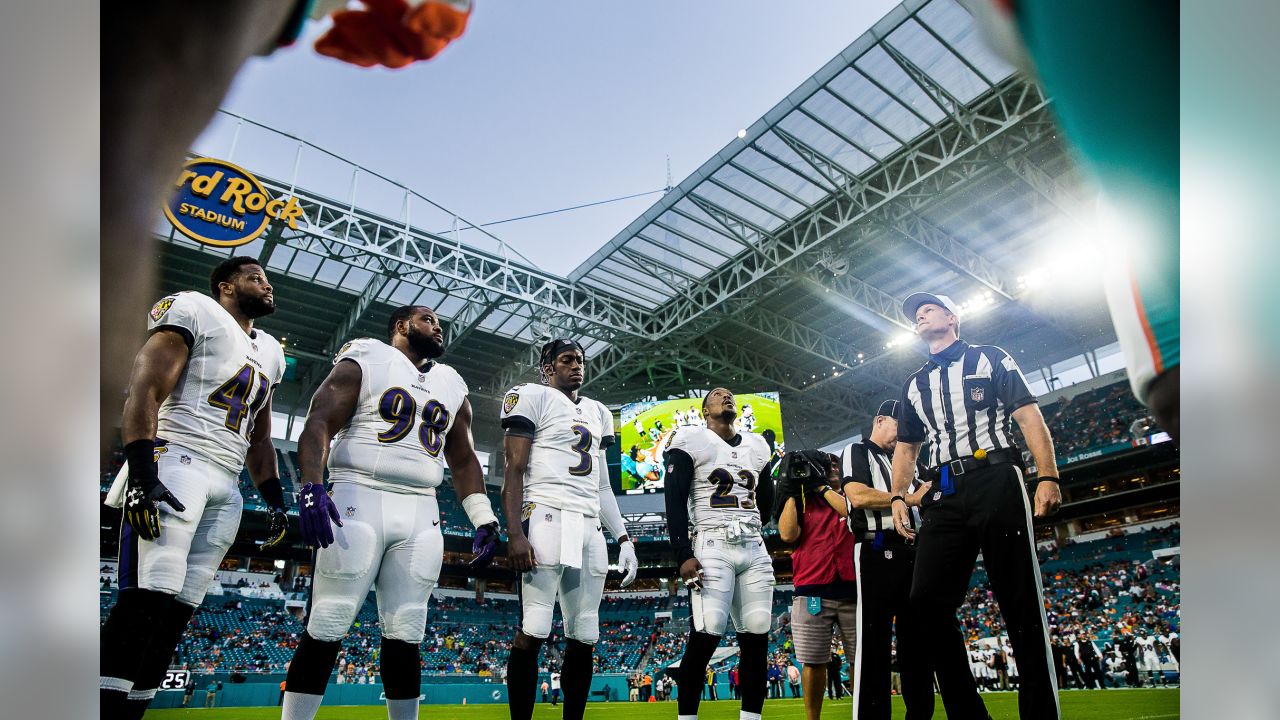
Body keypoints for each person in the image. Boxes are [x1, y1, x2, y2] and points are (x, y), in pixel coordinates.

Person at [279, 305, 501, 720]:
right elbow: (320, 419)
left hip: (421, 508)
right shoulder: (366, 356)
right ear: (401, 326)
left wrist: (483, 516)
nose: (438, 326)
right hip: (357, 494)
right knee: (329, 620)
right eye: (427, 319)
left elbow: (464, 458)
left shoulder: (451, 383)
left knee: (408, 629)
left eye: (439, 320)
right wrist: (310, 485)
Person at [100, 256, 289, 719]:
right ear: (226, 286)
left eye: (267, 279)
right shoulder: (193, 308)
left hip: (228, 480)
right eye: (255, 278)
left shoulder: (271, 352)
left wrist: (276, 502)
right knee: (148, 595)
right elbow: (144, 389)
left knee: (176, 616)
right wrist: (143, 472)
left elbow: (260, 437)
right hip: (178, 455)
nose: (267, 285)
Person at [890, 292, 1063, 719]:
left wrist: (1048, 475)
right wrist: (897, 495)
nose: (919, 314)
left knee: (1019, 600)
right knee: (925, 600)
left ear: (952, 317)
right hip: (944, 491)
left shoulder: (990, 358)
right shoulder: (914, 384)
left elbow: (1028, 417)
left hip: (996, 479)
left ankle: (1040, 714)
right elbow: (907, 448)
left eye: (928, 308)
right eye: (916, 313)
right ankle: (969, 714)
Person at [500, 339, 639, 720]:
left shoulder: (597, 411)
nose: (576, 366)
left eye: (579, 360)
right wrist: (514, 532)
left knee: (586, 633)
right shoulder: (531, 397)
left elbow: (604, 486)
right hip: (546, 514)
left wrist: (623, 538)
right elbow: (513, 469)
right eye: (566, 360)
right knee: (535, 627)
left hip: (589, 524)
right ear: (547, 367)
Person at [663, 387, 776, 720]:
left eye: (730, 395)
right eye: (717, 395)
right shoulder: (691, 439)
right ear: (704, 410)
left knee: (757, 633)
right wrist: (682, 552)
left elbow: (766, 502)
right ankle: (687, 718)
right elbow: (674, 499)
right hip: (712, 543)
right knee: (708, 631)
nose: (726, 398)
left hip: (753, 545)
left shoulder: (758, 446)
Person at [840, 401, 934, 719]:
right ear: (881, 420)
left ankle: (919, 714)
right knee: (874, 643)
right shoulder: (856, 451)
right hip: (875, 547)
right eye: (899, 425)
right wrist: (906, 497)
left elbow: (930, 492)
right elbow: (857, 495)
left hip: (912, 552)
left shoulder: (906, 459)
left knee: (916, 643)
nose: (903, 434)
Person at [774, 447, 857, 720]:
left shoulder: (853, 493)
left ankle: (863, 712)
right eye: (827, 464)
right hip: (812, 590)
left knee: (861, 660)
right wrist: (790, 489)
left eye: (836, 464)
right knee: (813, 661)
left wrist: (821, 487)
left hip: (853, 590)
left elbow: (853, 514)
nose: (832, 467)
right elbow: (787, 534)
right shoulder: (802, 500)